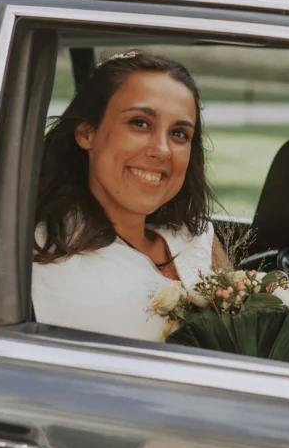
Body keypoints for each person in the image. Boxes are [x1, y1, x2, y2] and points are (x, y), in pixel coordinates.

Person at [32, 51, 226, 342]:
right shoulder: (52, 260)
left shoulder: (196, 237)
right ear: (86, 133)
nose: (162, 150)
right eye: (140, 123)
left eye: (179, 134)